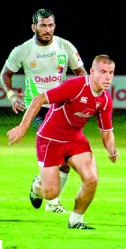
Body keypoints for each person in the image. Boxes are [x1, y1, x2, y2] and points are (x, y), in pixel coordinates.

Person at [7, 54, 119, 229]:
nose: (107, 77)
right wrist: (23, 128)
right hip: (50, 139)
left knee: (92, 179)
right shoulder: (76, 86)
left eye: (111, 73)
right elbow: (39, 99)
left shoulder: (105, 99)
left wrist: (111, 149)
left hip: (75, 139)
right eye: (103, 72)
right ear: (92, 72)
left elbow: (106, 131)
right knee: (51, 193)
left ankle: (76, 221)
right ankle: (37, 186)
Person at [0, 8, 88, 213]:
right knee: (60, 152)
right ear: (34, 27)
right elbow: (5, 74)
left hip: (61, 107)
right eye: (43, 25)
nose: (47, 30)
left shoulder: (65, 47)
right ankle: (52, 202)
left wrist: (81, 96)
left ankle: (40, 188)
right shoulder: (22, 50)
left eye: (50, 25)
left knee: (65, 161)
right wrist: (12, 96)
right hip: (38, 108)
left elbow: (81, 73)